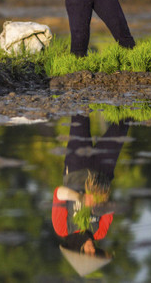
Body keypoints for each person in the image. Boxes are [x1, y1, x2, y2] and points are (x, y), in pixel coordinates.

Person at [52, 114, 128, 276]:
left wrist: (80, 198)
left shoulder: (62, 228)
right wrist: (99, 208)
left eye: (87, 253)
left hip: (77, 166)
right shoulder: (100, 232)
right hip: (103, 172)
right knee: (122, 125)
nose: (92, 250)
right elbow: (113, 206)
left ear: (77, 250)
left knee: (80, 116)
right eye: (94, 253)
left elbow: (59, 193)